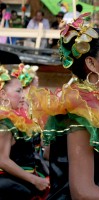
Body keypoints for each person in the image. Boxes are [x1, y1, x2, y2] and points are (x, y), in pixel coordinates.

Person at [28, 13, 99, 199]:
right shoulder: (82, 111)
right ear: (91, 63)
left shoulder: (81, 104)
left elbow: (52, 155)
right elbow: (82, 192)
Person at [0, 65, 49, 199]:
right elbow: (2, 160)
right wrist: (34, 180)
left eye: (22, 91)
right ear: (3, 94)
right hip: (11, 184)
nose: (23, 96)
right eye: (18, 91)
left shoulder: (15, 119)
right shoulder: (4, 122)